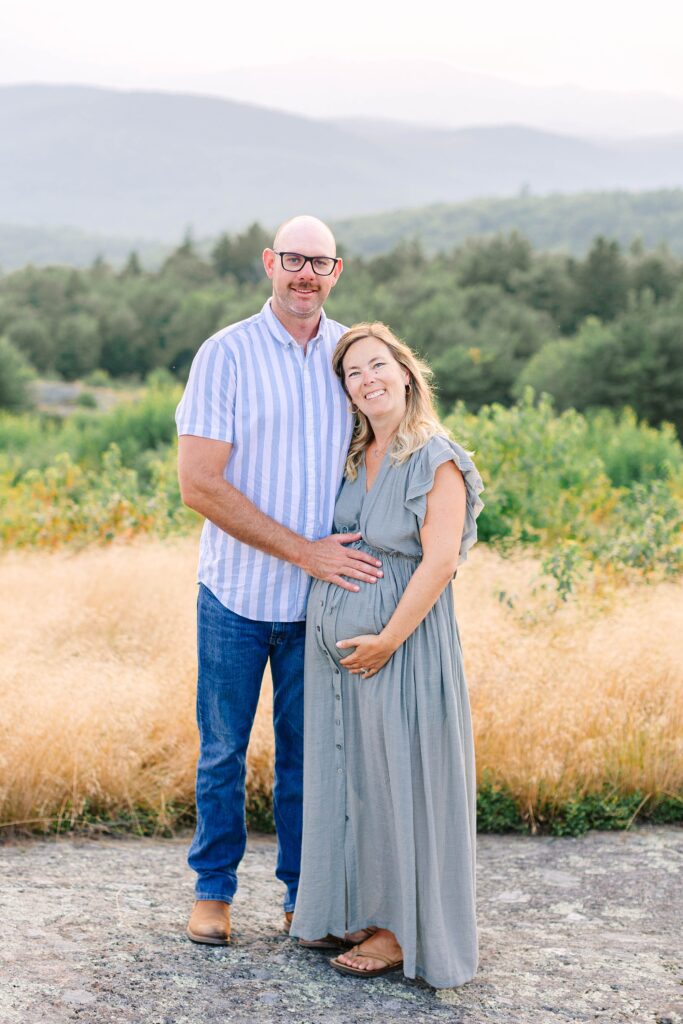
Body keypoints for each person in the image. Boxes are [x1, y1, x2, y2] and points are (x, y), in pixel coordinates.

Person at [175, 216, 384, 947]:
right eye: (292, 259)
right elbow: (199, 484)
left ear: (336, 272)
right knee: (224, 750)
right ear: (269, 262)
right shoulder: (225, 354)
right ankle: (212, 892)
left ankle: (306, 896)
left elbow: (394, 440)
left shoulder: (354, 355)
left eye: (318, 262)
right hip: (234, 594)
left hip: (321, 604)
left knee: (309, 756)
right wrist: (304, 551)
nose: (305, 273)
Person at [290, 322, 484, 988]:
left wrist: (387, 639)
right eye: (352, 373)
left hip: (402, 647)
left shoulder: (436, 457)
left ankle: (405, 930)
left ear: (405, 372)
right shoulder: (355, 456)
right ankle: (363, 912)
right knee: (359, 782)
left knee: (404, 779)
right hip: (343, 662)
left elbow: (438, 563)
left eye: (376, 365)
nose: (366, 379)